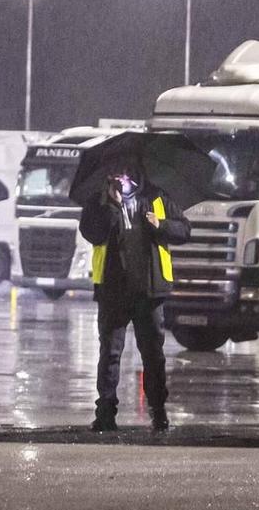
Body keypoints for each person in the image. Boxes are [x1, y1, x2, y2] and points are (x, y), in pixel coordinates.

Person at [78, 167, 191, 432]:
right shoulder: (99, 201)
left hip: (150, 291)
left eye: (126, 174)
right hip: (113, 291)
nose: (122, 180)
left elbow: (184, 230)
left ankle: (158, 411)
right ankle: (105, 411)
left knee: (153, 355)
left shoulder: (157, 197)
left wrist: (160, 225)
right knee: (110, 353)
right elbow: (92, 234)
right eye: (116, 175)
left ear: (137, 174)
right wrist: (112, 207)